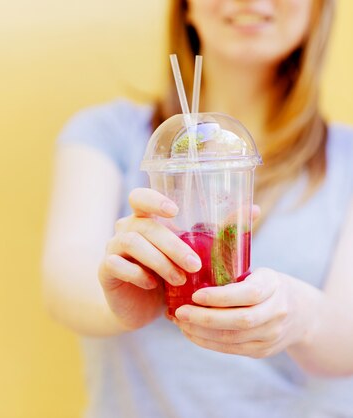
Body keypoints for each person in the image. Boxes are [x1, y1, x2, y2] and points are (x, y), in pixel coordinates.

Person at [42, 0, 353, 416]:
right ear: (186, 8)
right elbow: (64, 280)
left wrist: (300, 316)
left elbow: (346, 344)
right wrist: (119, 294)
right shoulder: (108, 133)